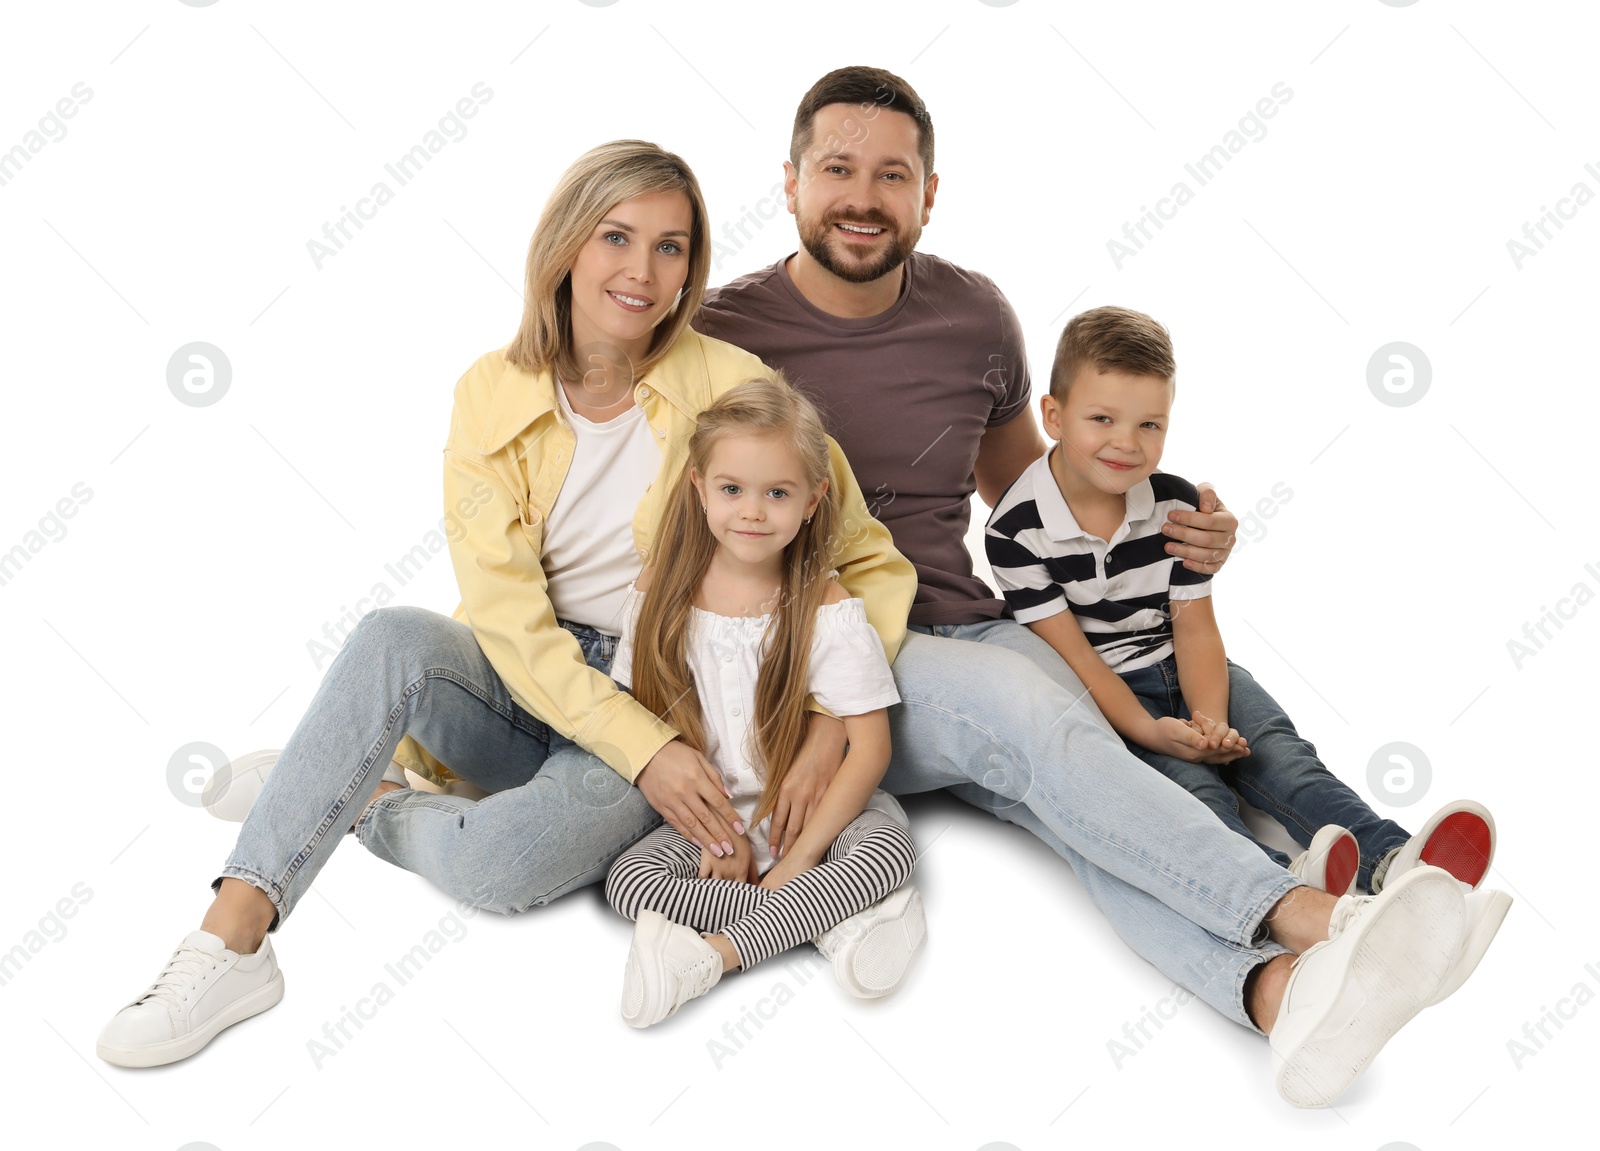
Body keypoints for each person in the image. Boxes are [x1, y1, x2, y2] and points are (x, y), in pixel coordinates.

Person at [693, 65, 1493, 1107]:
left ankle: (1276, 995)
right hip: (840, 663)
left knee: (1083, 797)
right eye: (836, 167)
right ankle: (1323, 919)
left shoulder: (974, 313)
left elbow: (1032, 489)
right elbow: (677, 536)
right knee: (1046, 724)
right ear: (789, 181)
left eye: (892, 174)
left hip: (972, 628)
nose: (861, 195)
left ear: (928, 194)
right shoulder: (719, 336)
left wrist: (1175, 531)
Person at [97, 140, 917, 1069]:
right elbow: (507, 618)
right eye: (617, 236)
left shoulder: (734, 384)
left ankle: (356, 795)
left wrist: (816, 719)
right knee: (388, 637)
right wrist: (640, 750)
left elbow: (867, 560)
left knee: (505, 867)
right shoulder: (491, 392)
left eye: (673, 247)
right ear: (567, 245)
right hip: (534, 676)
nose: (643, 272)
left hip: (667, 689)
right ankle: (234, 933)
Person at [982, 304, 1511, 932]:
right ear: (1053, 416)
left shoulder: (1177, 506)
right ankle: (1290, 894)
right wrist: (1153, 733)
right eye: (1102, 419)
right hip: (1108, 695)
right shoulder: (1015, 531)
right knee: (1195, 796)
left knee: (1282, 757)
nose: (1127, 443)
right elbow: (1074, 656)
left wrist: (1210, 718)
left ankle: (1399, 864)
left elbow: (1195, 625)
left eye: (1150, 424)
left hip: (1190, 664)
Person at [603, 378, 922, 1027]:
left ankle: (715, 956)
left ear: (813, 500)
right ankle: (841, 918)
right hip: (709, 817)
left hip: (816, 813)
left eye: (777, 493)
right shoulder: (661, 593)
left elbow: (871, 748)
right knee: (628, 882)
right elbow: (648, 719)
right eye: (732, 489)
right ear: (698, 486)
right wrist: (719, 833)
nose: (752, 511)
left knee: (888, 849)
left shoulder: (825, 607)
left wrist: (802, 858)